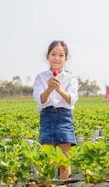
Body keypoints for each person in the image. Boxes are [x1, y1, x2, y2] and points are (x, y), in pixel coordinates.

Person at [33, 40, 78, 180]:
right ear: (48, 57)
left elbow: (72, 99)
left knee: (64, 162)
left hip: (64, 118)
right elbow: (40, 99)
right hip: (47, 117)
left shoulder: (71, 78)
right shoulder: (40, 77)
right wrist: (49, 89)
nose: (57, 58)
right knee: (48, 161)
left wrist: (58, 89)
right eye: (53, 54)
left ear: (66, 58)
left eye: (61, 55)